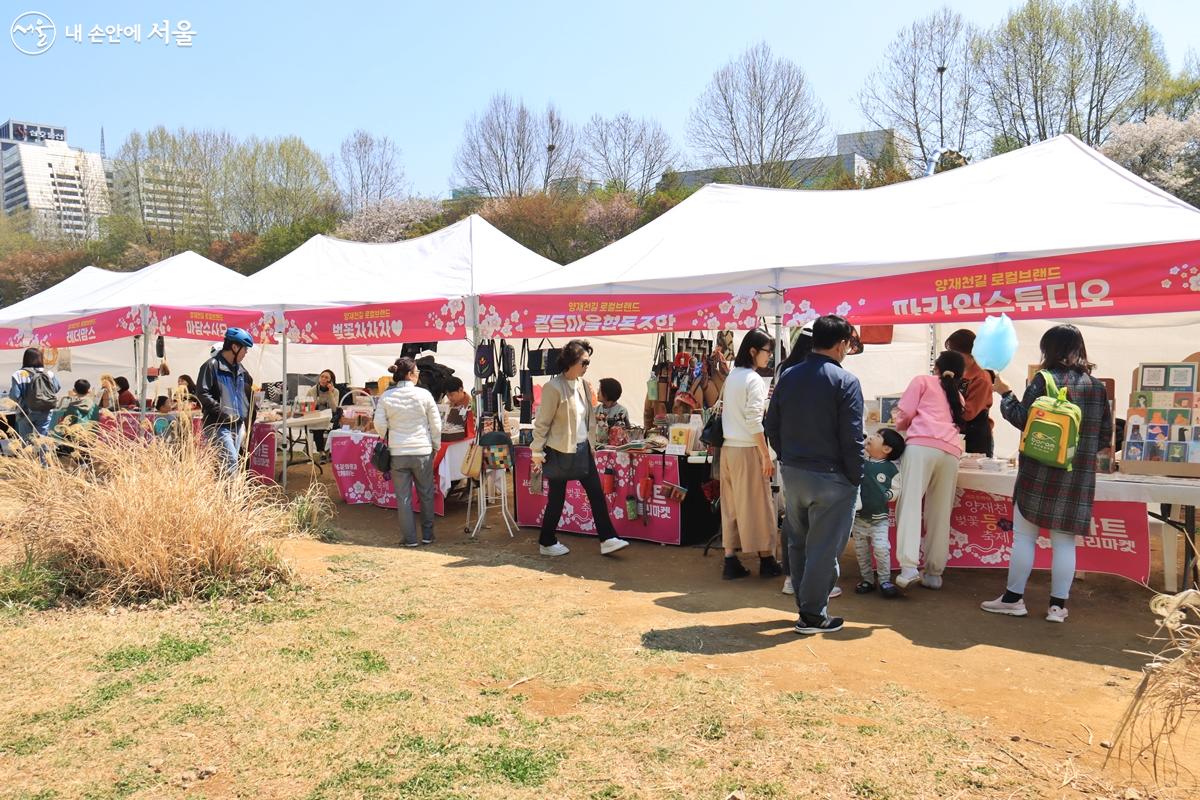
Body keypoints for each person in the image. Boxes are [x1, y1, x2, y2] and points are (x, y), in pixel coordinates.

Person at [982, 324, 1113, 624]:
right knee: (1065, 543)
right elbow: (1105, 436)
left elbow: (1021, 419)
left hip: (1038, 475)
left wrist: (1005, 392)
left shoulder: (1043, 379)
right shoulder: (1097, 387)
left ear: (1048, 350)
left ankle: (1014, 600)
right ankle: (1057, 607)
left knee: (1024, 539)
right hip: (1077, 476)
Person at [766, 315, 863, 635]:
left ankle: (805, 605)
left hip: (794, 471)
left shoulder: (788, 376)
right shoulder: (846, 381)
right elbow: (852, 437)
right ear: (841, 344)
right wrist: (855, 475)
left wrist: (786, 457)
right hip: (832, 476)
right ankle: (812, 614)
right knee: (824, 547)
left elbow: (771, 425)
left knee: (798, 539)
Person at [531, 339, 630, 558]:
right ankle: (546, 541)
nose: (587, 366)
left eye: (588, 362)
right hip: (559, 450)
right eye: (584, 362)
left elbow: (590, 419)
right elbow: (543, 422)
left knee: (596, 493)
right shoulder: (553, 387)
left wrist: (591, 445)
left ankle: (607, 539)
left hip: (583, 449)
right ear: (571, 361)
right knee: (557, 498)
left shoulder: (584, 385)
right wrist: (537, 451)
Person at [892, 350, 966, 590]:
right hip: (951, 452)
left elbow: (904, 414)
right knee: (940, 512)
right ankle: (934, 573)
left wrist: (899, 426)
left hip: (921, 446)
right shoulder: (958, 396)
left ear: (937, 366)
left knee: (910, 504)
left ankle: (909, 567)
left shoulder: (922, 381)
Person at [719, 329, 781, 580]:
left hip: (728, 449)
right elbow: (755, 421)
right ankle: (766, 559)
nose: (769, 357)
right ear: (754, 351)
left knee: (732, 506)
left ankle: (730, 559)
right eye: (767, 351)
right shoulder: (753, 380)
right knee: (760, 507)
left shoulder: (733, 376)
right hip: (747, 449)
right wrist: (765, 455)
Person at [374, 357, 442, 547]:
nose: (418, 374)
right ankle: (428, 535)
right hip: (422, 450)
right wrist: (435, 445)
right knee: (426, 493)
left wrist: (389, 434)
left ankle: (410, 539)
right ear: (410, 375)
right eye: (417, 371)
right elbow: (436, 425)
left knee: (403, 497)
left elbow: (379, 424)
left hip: (398, 453)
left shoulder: (386, 396)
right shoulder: (425, 395)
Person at [852, 429, 905, 597]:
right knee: (861, 551)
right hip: (859, 517)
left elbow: (897, 487)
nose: (871, 437)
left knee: (882, 549)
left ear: (887, 449)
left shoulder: (891, 469)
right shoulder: (860, 462)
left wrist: (888, 495)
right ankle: (867, 580)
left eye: (878, 436)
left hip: (879, 518)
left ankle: (884, 580)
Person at [196, 327, 255, 476]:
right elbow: (203, 393)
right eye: (245, 349)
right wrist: (223, 413)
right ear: (235, 347)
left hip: (237, 424)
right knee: (230, 464)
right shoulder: (211, 366)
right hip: (218, 425)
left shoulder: (240, 369)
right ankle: (231, 499)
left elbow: (247, 390)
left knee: (227, 466)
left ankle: (222, 497)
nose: (246, 353)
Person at [945, 329, 994, 456]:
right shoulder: (956, 374)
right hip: (955, 433)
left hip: (975, 436)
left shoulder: (981, 378)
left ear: (971, 353)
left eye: (956, 354)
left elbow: (968, 413)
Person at [9, 347, 61, 442]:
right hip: (45, 410)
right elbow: (57, 388)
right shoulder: (49, 373)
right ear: (41, 358)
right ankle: (45, 457)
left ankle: (28, 456)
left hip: (25, 412)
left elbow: (15, 396)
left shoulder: (18, 374)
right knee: (43, 440)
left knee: (26, 440)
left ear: (25, 358)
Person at [312, 368, 350, 455]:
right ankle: (321, 452)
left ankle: (332, 450)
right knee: (317, 427)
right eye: (322, 376)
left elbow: (334, 408)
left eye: (326, 378)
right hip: (317, 415)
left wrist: (330, 393)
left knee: (335, 426)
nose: (323, 379)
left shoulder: (335, 391)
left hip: (331, 415)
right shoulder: (313, 390)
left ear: (331, 381)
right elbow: (309, 405)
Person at [440, 377, 472, 443]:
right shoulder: (447, 405)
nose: (449, 398)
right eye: (447, 395)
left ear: (461, 390)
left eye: (452, 395)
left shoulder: (472, 405)